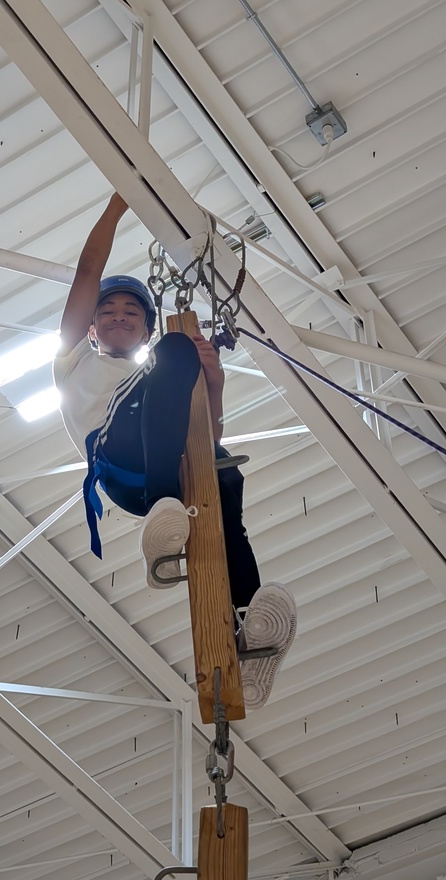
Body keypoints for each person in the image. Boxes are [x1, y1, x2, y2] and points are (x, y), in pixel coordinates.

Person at [53, 192, 296, 709]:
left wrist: (216, 382)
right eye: (109, 311)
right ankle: (165, 517)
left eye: (131, 313)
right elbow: (89, 269)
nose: (119, 316)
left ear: (143, 328)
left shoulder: (154, 377)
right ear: (91, 328)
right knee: (179, 350)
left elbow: (204, 442)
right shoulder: (74, 363)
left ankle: (246, 633)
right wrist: (121, 205)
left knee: (224, 478)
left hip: (176, 470)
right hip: (125, 467)